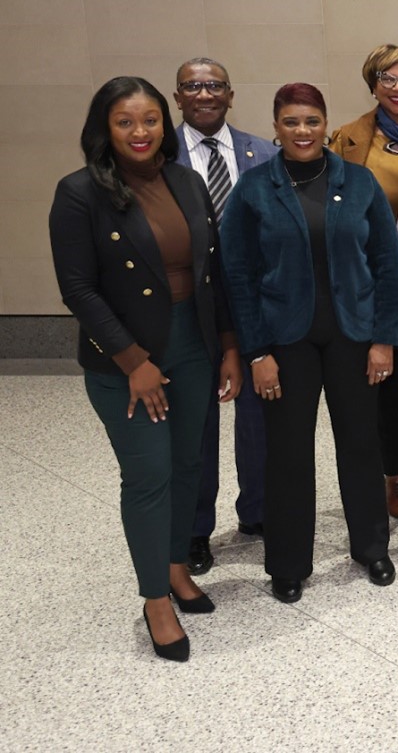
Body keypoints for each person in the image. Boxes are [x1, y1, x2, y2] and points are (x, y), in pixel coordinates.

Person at [50, 76, 243, 661]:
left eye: (150, 120)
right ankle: (155, 598)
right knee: (149, 474)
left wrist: (229, 344)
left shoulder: (185, 179)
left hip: (194, 343)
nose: (140, 132)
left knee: (189, 462)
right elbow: (78, 288)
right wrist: (132, 361)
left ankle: (177, 567)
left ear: (166, 124)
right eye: (126, 122)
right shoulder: (80, 192)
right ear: (104, 129)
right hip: (126, 357)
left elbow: (214, 271)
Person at [221, 83, 398, 604]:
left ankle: (371, 548)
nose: (303, 132)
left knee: (361, 444)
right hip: (284, 344)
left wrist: (384, 340)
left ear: (327, 125)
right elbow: (238, 274)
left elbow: (388, 266)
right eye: (292, 122)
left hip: (354, 337)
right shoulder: (254, 189)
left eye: (312, 121)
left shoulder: (359, 182)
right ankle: (287, 562)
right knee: (288, 454)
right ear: (276, 128)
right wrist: (257, 352)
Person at [329, 45, 398, 519]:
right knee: (386, 382)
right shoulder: (350, 139)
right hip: (376, 282)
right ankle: (392, 476)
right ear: (372, 83)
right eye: (388, 79)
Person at [170, 58, 275, 575]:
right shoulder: (157, 155)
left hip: (254, 305)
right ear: (178, 96)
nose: (204, 94)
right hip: (189, 309)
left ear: (230, 95)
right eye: (193, 86)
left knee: (260, 414)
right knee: (197, 420)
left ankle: (257, 512)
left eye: (214, 85)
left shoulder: (265, 152)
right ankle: (194, 529)